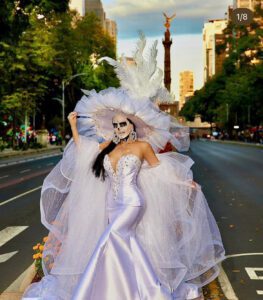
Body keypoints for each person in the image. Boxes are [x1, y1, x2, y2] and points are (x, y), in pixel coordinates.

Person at [22, 35, 225, 300]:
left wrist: (184, 183)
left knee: (112, 237)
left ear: (133, 126)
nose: (119, 129)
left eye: (124, 124)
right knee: (124, 244)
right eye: (116, 125)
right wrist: (73, 125)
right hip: (111, 202)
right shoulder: (107, 146)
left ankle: (92, 293)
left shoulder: (142, 147)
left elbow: (160, 171)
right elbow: (82, 151)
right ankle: (129, 290)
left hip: (131, 203)